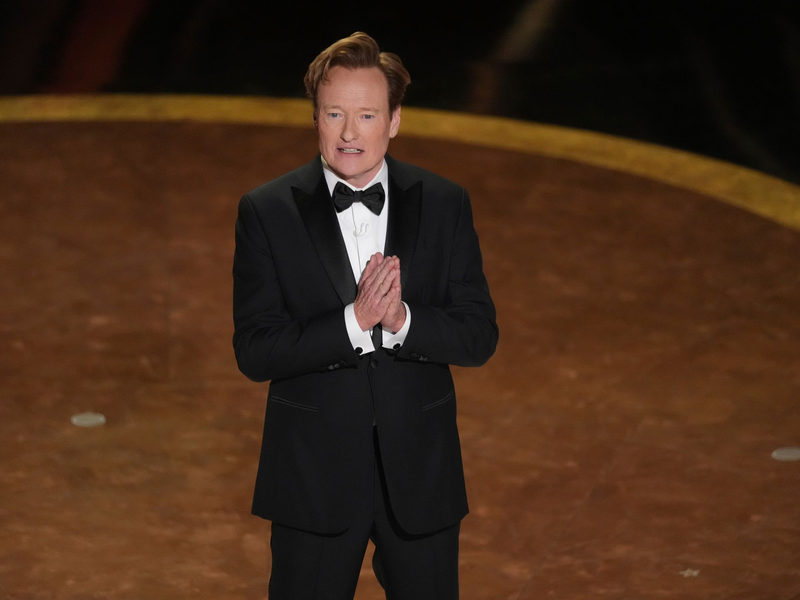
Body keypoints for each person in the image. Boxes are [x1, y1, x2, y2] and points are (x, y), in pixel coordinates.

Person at [232, 31, 498, 599]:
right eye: (334, 114)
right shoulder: (266, 211)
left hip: (421, 477)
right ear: (316, 119)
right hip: (312, 477)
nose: (350, 133)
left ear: (394, 121)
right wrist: (353, 324)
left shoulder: (445, 203)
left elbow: (478, 335)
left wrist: (402, 319)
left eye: (367, 114)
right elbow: (255, 350)